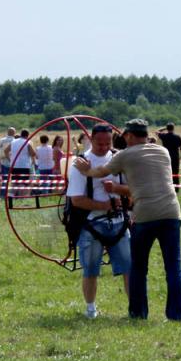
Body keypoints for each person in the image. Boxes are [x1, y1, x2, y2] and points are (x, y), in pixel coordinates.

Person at [76, 118, 181, 321]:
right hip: (171, 212)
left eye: (124, 136)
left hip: (145, 215)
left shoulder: (125, 156)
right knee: (173, 266)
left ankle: (138, 313)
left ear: (130, 135)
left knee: (138, 267)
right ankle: (176, 315)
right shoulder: (163, 152)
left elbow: (100, 172)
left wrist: (85, 170)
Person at [67, 123, 131, 319]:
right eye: (99, 143)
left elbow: (133, 189)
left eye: (107, 143)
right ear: (90, 139)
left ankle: (134, 307)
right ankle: (90, 309)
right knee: (91, 270)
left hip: (119, 223)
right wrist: (105, 206)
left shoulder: (120, 159)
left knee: (130, 268)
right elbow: (77, 200)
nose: (103, 147)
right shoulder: (80, 164)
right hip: (91, 225)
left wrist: (118, 192)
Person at [156, 122, 181, 193]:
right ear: (173, 128)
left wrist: (164, 128)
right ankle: (176, 189)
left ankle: (168, 188)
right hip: (175, 158)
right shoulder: (177, 137)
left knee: (167, 173)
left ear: (167, 128)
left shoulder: (164, 136)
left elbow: (157, 131)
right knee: (175, 173)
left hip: (166, 158)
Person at [5, 129, 36, 196]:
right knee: (23, 183)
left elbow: (5, 151)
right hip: (24, 166)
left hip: (14, 165)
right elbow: (33, 154)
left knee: (14, 182)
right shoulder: (27, 142)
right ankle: (21, 197)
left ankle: (11, 196)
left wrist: (10, 160)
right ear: (27, 135)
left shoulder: (13, 142)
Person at [0, 127, 16, 196]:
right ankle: (12, 194)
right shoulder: (15, 140)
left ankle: (2, 194)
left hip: (3, 162)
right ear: (14, 133)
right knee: (13, 180)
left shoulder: (2, 140)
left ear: (7, 132)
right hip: (13, 162)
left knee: (4, 179)